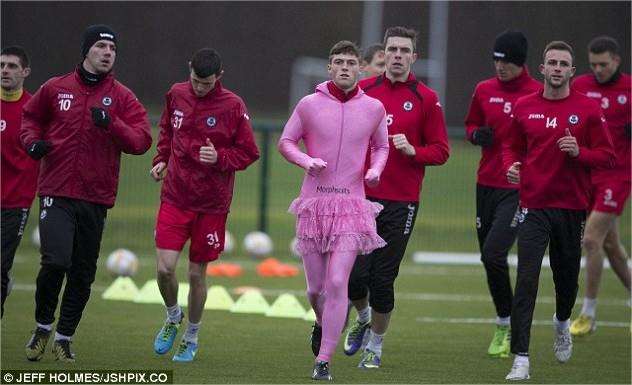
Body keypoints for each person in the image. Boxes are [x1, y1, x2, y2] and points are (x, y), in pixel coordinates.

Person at [20, 25, 152, 362]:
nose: (108, 52)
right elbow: (30, 119)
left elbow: (141, 141)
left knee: (82, 272)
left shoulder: (123, 97)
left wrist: (112, 123)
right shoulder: (55, 87)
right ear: (86, 51)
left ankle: (64, 337)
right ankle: (42, 326)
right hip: (57, 191)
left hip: (95, 197)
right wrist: (31, 142)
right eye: (100, 46)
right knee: (55, 261)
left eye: (112, 48)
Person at [502, 41, 614, 381]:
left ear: (571, 71)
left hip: (571, 208)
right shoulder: (523, 107)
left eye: (563, 64)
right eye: (551, 62)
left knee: (565, 281)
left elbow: (608, 156)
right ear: (542, 68)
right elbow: (510, 145)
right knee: (526, 279)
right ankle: (520, 358)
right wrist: (512, 165)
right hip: (533, 206)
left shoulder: (589, 109)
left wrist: (580, 152)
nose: (556, 68)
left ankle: (562, 321)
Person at [278, 40, 389, 381]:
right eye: (338, 61)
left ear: (360, 69)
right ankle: (322, 321)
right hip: (314, 204)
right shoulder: (309, 104)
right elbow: (285, 142)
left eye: (350, 62)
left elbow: (382, 145)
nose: (344, 67)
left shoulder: (373, 108)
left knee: (339, 280)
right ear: (329, 68)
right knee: (316, 290)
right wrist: (305, 159)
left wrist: (375, 170)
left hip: (352, 205)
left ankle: (323, 361)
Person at [344, 26, 450, 369]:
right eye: (393, 50)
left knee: (383, 278)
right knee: (355, 278)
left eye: (405, 51)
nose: (398, 56)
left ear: (414, 57)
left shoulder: (426, 98)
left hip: (402, 201)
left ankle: (375, 345)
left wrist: (412, 150)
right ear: (384, 54)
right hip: (361, 198)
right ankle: (362, 319)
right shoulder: (363, 90)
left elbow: (441, 151)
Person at [150, 48, 259, 362]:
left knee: (197, 274)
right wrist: (161, 160)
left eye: (206, 83)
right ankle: (173, 317)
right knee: (164, 269)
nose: (199, 88)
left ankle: (192, 336)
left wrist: (221, 158)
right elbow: (168, 131)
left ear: (219, 77)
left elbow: (249, 152)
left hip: (211, 204)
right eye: (196, 81)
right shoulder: (176, 94)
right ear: (189, 70)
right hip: (175, 196)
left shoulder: (233, 106)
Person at [464, 30, 541, 357]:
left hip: (518, 188)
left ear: (520, 62)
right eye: (497, 60)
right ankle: (505, 320)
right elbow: (470, 126)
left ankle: (505, 323)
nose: (500, 67)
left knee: (494, 253)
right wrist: (476, 135)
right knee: (489, 257)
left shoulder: (537, 92)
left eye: (507, 61)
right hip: (486, 185)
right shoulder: (484, 90)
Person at [569, 36, 631, 336]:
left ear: (616, 61)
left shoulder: (629, 90)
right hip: (586, 175)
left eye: (603, 65)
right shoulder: (580, 86)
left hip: (617, 177)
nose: (598, 70)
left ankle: (588, 314)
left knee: (591, 240)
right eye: (593, 65)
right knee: (611, 246)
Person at [1, 46, 35, 318]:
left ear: (25, 72)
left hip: (15, 201)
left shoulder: (33, 110)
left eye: (12, 66)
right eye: (2, 65)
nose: (5, 70)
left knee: (0, 267)